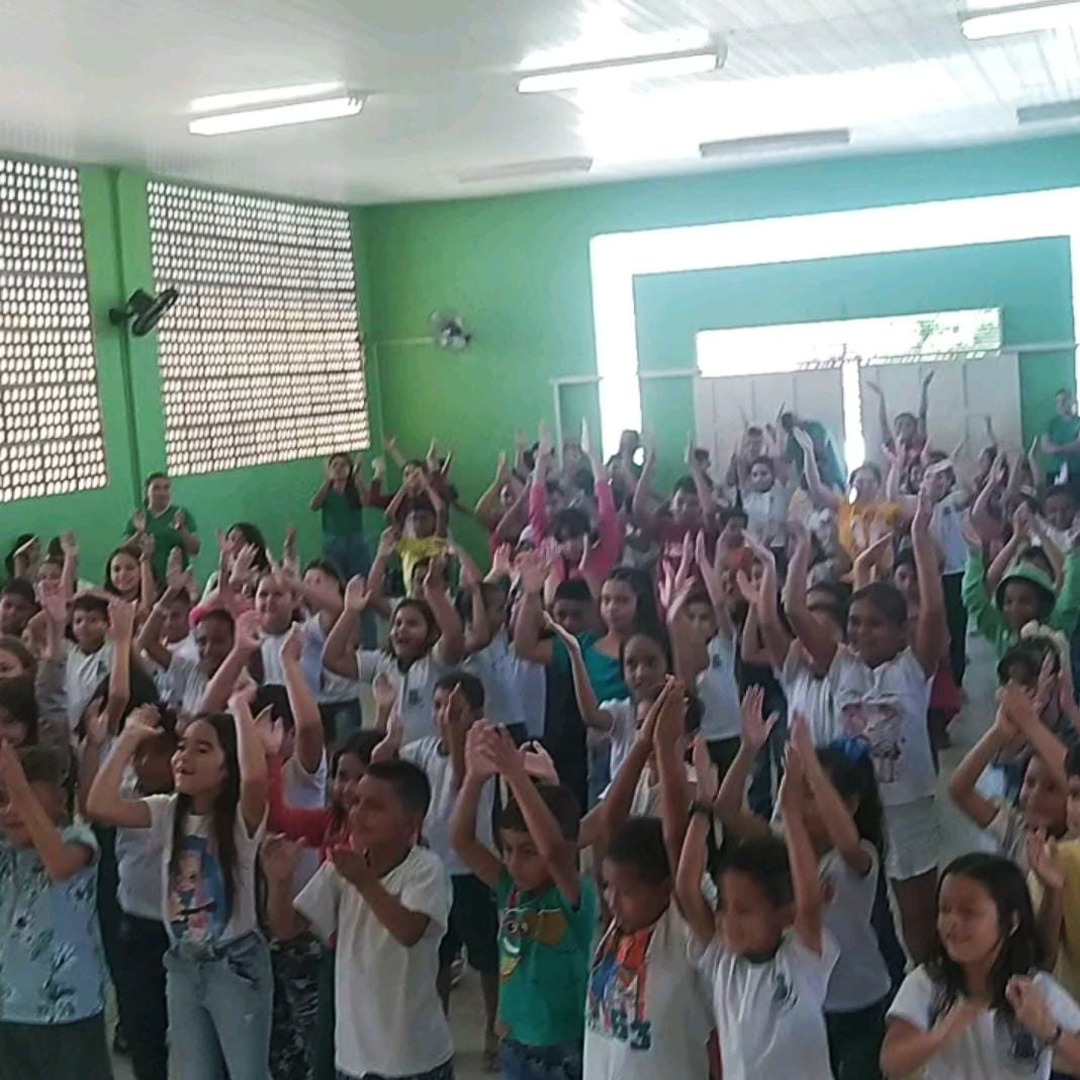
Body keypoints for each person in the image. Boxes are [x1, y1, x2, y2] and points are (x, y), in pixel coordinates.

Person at [787, 481, 945, 965]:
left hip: (908, 805)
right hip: (855, 810)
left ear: (901, 631)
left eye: (874, 623)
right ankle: (885, 983)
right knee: (864, 912)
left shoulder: (912, 668)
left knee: (919, 916)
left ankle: (931, 985)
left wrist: (918, 537)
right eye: (854, 622)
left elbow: (935, 609)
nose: (859, 631)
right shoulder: (844, 666)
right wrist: (802, 549)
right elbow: (794, 610)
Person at [85, 698, 272, 1080]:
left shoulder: (240, 819)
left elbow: (255, 780)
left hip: (234, 964)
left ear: (227, 767)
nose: (184, 756)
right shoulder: (167, 810)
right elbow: (99, 805)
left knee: (247, 1073)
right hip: (183, 964)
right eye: (182, 746)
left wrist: (240, 709)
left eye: (202, 750)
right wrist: (130, 736)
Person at [264, 760, 455, 1080]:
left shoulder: (425, 869)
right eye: (355, 802)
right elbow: (286, 928)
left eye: (375, 806)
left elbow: (408, 931)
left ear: (411, 824)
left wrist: (364, 881)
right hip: (353, 1058)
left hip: (413, 1058)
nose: (358, 814)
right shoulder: (342, 868)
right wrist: (280, 882)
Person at [677, 727, 839, 1080]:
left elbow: (809, 899)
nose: (729, 919)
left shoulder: (801, 961)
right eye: (724, 906)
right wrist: (703, 808)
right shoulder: (722, 960)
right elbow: (687, 889)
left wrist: (790, 814)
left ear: (784, 914)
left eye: (745, 909)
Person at [452, 722, 597, 1080]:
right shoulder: (510, 888)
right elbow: (461, 842)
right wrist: (474, 779)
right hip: (516, 1044)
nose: (514, 862)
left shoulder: (574, 894)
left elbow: (553, 850)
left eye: (526, 852)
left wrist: (516, 776)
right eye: (509, 850)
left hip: (567, 1049)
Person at [374, 670, 501, 1067]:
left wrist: (457, 733)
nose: (445, 714)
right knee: (439, 960)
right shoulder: (421, 750)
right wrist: (388, 733)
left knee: (487, 959)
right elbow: (383, 769)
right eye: (440, 705)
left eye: (456, 708)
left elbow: (465, 784)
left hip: (471, 873)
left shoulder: (483, 755)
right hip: (433, 872)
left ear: (475, 714)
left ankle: (493, 1031)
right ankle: (438, 1028)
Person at [882, 853, 1080, 1080]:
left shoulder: (1036, 989)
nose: (952, 922)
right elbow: (891, 1062)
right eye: (945, 909)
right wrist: (942, 1034)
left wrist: (1050, 1031)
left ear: (1010, 922)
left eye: (969, 912)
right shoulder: (928, 981)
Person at [0, 743, 114, 1080]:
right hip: (9, 1009)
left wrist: (18, 784)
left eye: (25, 802)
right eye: (2, 799)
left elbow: (60, 866)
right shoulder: (5, 852)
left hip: (69, 1009)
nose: (11, 810)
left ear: (62, 803)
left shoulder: (78, 840)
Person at [584, 816, 713, 1079]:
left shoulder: (683, 936)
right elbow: (611, 818)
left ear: (666, 888)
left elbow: (675, 842)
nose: (611, 901)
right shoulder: (618, 929)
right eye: (608, 887)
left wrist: (701, 809)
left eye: (626, 892)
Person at [323, 557, 465, 743]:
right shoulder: (382, 662)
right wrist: (350, 611)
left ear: (431, 634)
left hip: (430, 762)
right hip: (394, 761)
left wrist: (434, 593)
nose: (401, 629)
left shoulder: (437, 661)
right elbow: (332, 659)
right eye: (397, 624)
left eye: (412, 624)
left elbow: (454, 636)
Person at [947, 684, 1068, 870]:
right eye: (1029, 783)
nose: (1035, 795)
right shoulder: (1018, 833)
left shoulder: (1075, 838)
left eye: (1052, 788)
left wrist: (1029, 723)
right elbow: (959, 791)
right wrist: (998, 733)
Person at [794, 426, 904, 567]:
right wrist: (808, 452)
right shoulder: (843, 507)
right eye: (860, 482)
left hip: (878, 570)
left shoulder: (886, 509)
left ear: (878, 485)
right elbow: (816, 487)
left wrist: (895, 467)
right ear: (852, 485)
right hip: (846, 569)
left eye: (870, 482)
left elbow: (896, 499)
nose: (865, 486)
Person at [126, 472, 201, 583]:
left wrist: (182, 530)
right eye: (156, 488)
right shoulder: (139, 518)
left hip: (178, 583)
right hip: (147, 583)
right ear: (147, 492)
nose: (162, 493)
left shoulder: (181, 514)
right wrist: (139, 533)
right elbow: (124, 553)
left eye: (166, 488)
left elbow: (195, 550)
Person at [310, 453, 371, 582]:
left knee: (359, 578)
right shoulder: (327, 491)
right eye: (334, 465)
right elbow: (313, 506)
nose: (338, 468)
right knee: (336, 579)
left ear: (349, 469)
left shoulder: (354, 489)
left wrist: (359, 480)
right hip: (333, 541)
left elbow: (366, 502)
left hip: (356, 539)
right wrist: (327, 481)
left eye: (343, 465)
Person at [1041, 388, 1080, 481]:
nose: (1060, 405)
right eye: (1058, 402)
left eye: (1063, 401)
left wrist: (1055, 449)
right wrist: (1067, 448)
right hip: (1053, 471)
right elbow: (1045, 447)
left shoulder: (1078, 422)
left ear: (1071, 402)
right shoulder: (1051, 424)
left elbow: (1078, 446)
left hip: (1075, 471)